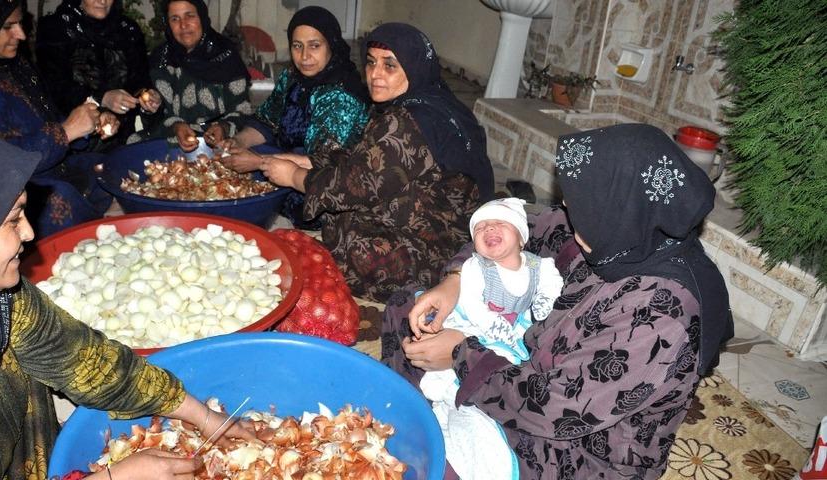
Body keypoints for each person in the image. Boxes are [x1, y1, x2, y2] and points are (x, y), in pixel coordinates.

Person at [382, 123, 735, 478]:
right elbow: (512, 226)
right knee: (407, 310)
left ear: (620, 206)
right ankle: (432, 417)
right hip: (522, 355)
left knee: (446, 462)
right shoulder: (612, 231)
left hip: (578, 445)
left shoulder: (661, 313)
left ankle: (433, 423)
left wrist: (461, 356)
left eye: (583, 200)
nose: (567, 205)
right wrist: (454, 281)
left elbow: (557, 407)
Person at [0, 131, 255, 480]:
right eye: (13, 219)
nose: (29, 233)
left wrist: (203, 417)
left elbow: (85, 359)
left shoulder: (2, 298)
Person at [261, 23, 494, 302]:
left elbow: (355, 185)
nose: (375, 75)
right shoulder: (433, 103)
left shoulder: (409, 121)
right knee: (338, 212)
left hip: (441, 247)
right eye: (371, 63)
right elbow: (368, 158)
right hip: (449, 223)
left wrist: (294, 176)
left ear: (414, 66)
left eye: (390, 66)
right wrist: (308, 161)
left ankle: (443, 285)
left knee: (352, 237)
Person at [413, 197, 563, 480]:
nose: (489, 228)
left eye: (499, 223)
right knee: (445, 335)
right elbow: (470, 303)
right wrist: (494, 329)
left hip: (514, 329)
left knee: (514, 362)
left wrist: (544, 303)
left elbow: (552, 285)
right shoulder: (475, 267)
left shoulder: (538, 267)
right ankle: (446, 388)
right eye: (480, 227)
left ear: (521, 238)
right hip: (476, 323)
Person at [0, 0, 118, 238]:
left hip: (52, 163)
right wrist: (67, 132)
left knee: (110, 165)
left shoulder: (14, 66)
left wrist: (89, 122)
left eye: (20, 23)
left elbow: (47, 118)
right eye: (9, 26)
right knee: (60, 197)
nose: (21, 34)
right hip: (6, 188)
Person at [220, 5, 370, 229]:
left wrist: (258, 161)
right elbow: (267, 122)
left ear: (332, 46)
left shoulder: (342, 96)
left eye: (315, 46)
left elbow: (326, 166)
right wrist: (239, 142)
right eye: (297, 46)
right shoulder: (292, 78)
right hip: (282, 185)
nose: (304, 56)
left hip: (322, 208)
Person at [36, 0, 161, 150]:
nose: (102, 1)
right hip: (72, 143)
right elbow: (53, 87)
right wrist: (102, 97)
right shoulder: (55, 28)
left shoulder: (127, 29)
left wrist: (146, 96)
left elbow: (139, 80)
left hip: (121, 138)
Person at [128, 0, 252, 151]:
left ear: (202, 18)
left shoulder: (225, 55)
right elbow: (154, 118)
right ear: (168, 24)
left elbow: (243, 110)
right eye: (175, 19)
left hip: (222, 141)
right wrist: (173, 124)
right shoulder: (161, 59)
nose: (183, 25)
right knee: (134, 143)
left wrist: (223, 128)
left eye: (190, 16)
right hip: (172, 136)